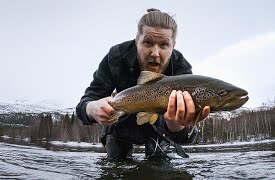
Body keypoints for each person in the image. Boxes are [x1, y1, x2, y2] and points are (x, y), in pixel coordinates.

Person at [76, 8, 210, 160]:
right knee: (115, 164)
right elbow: (84, 105)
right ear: (136, 40)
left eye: (164, 45)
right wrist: (92, 108)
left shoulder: (182, 69)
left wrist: (176, 125)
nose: (155, 53)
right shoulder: (115, 57)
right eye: (148, 43)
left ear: (173, 46)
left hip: (161, 129)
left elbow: (187, 136)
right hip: (121, 124)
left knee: (160, 167)